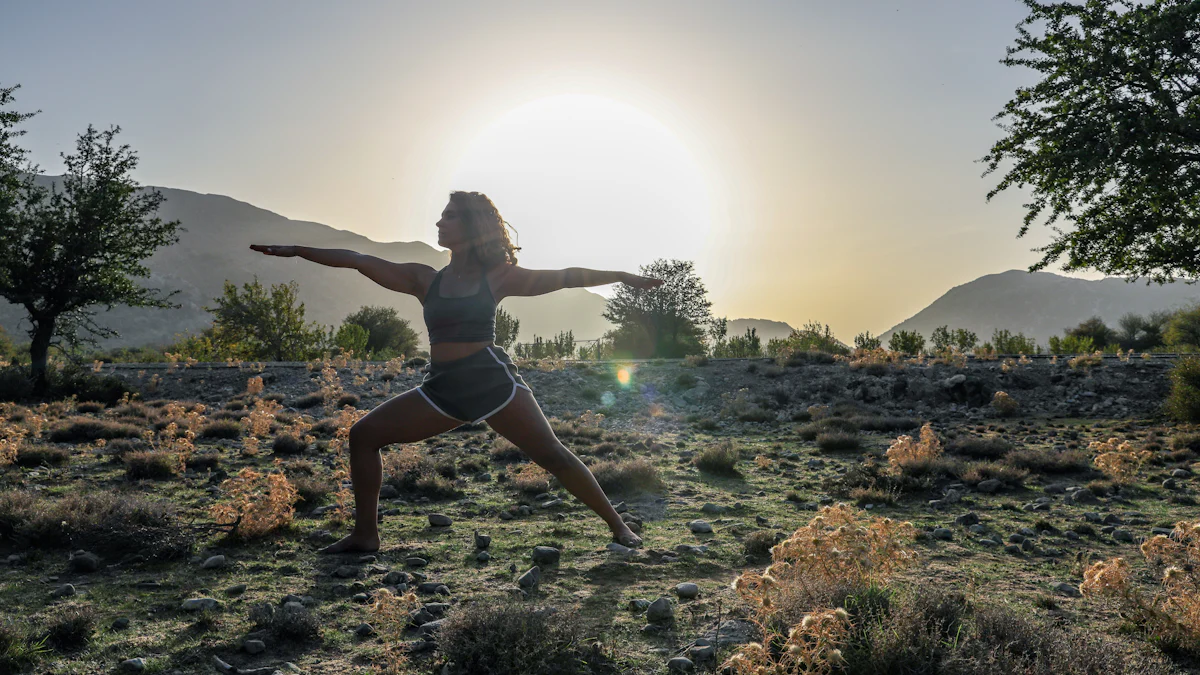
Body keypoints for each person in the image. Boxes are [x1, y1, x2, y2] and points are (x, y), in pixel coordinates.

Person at [250, 190, 663, 554]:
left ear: (471, 225)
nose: (438, 221)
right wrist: (298, 250)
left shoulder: (498, 276)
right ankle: (365, 535)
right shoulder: (424, 279)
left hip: (492, 381)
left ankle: (618, 526)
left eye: (448, 216)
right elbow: (359, 260)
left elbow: (568, 278)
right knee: (363, 436)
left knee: (553, 455)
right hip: (443, 389)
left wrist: (622, 276)